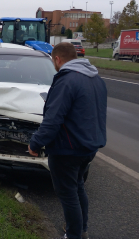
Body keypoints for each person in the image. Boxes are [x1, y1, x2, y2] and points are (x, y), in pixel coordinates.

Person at [28, 42, 107, 239]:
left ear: (57, 59)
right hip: (89, 146)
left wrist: (35, 143)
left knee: (68, 194)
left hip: (67, 148)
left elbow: (53, 120)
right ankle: (82, 230)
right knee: (78, 187)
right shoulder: (95, 79)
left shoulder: (66, 80)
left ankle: (73, 235)